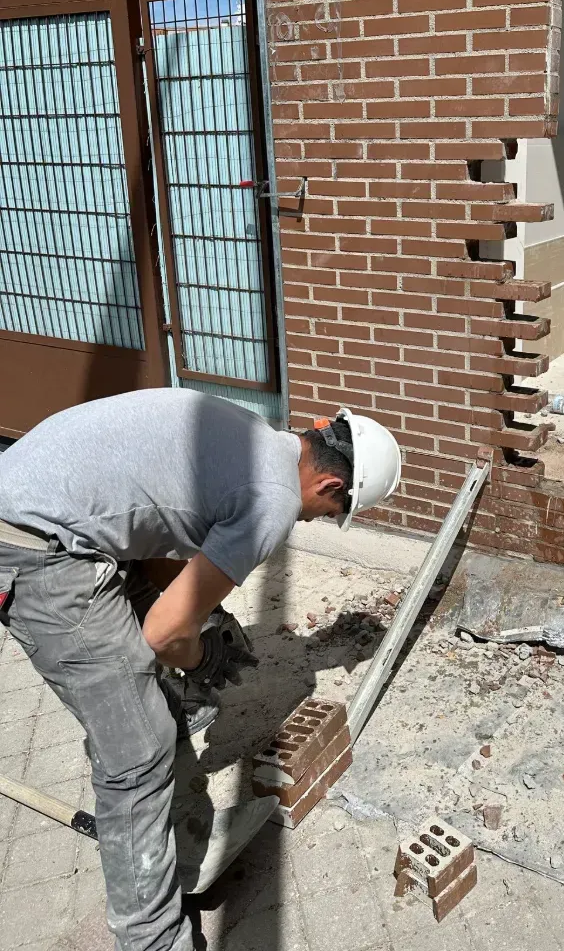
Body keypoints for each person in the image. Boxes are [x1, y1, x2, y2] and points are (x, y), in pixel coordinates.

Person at [0, 389, 401, 951]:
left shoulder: (256, 436)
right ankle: (154, 939)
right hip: (36, 552)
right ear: (331, 485)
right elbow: (162, 635)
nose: (317, 520)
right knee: (136, 752)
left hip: (43, 505)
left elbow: (150, 531)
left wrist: (203, 618)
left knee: (173, 663)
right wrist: (199, 655)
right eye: (331, 515)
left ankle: (176, 776)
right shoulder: (272, 500)